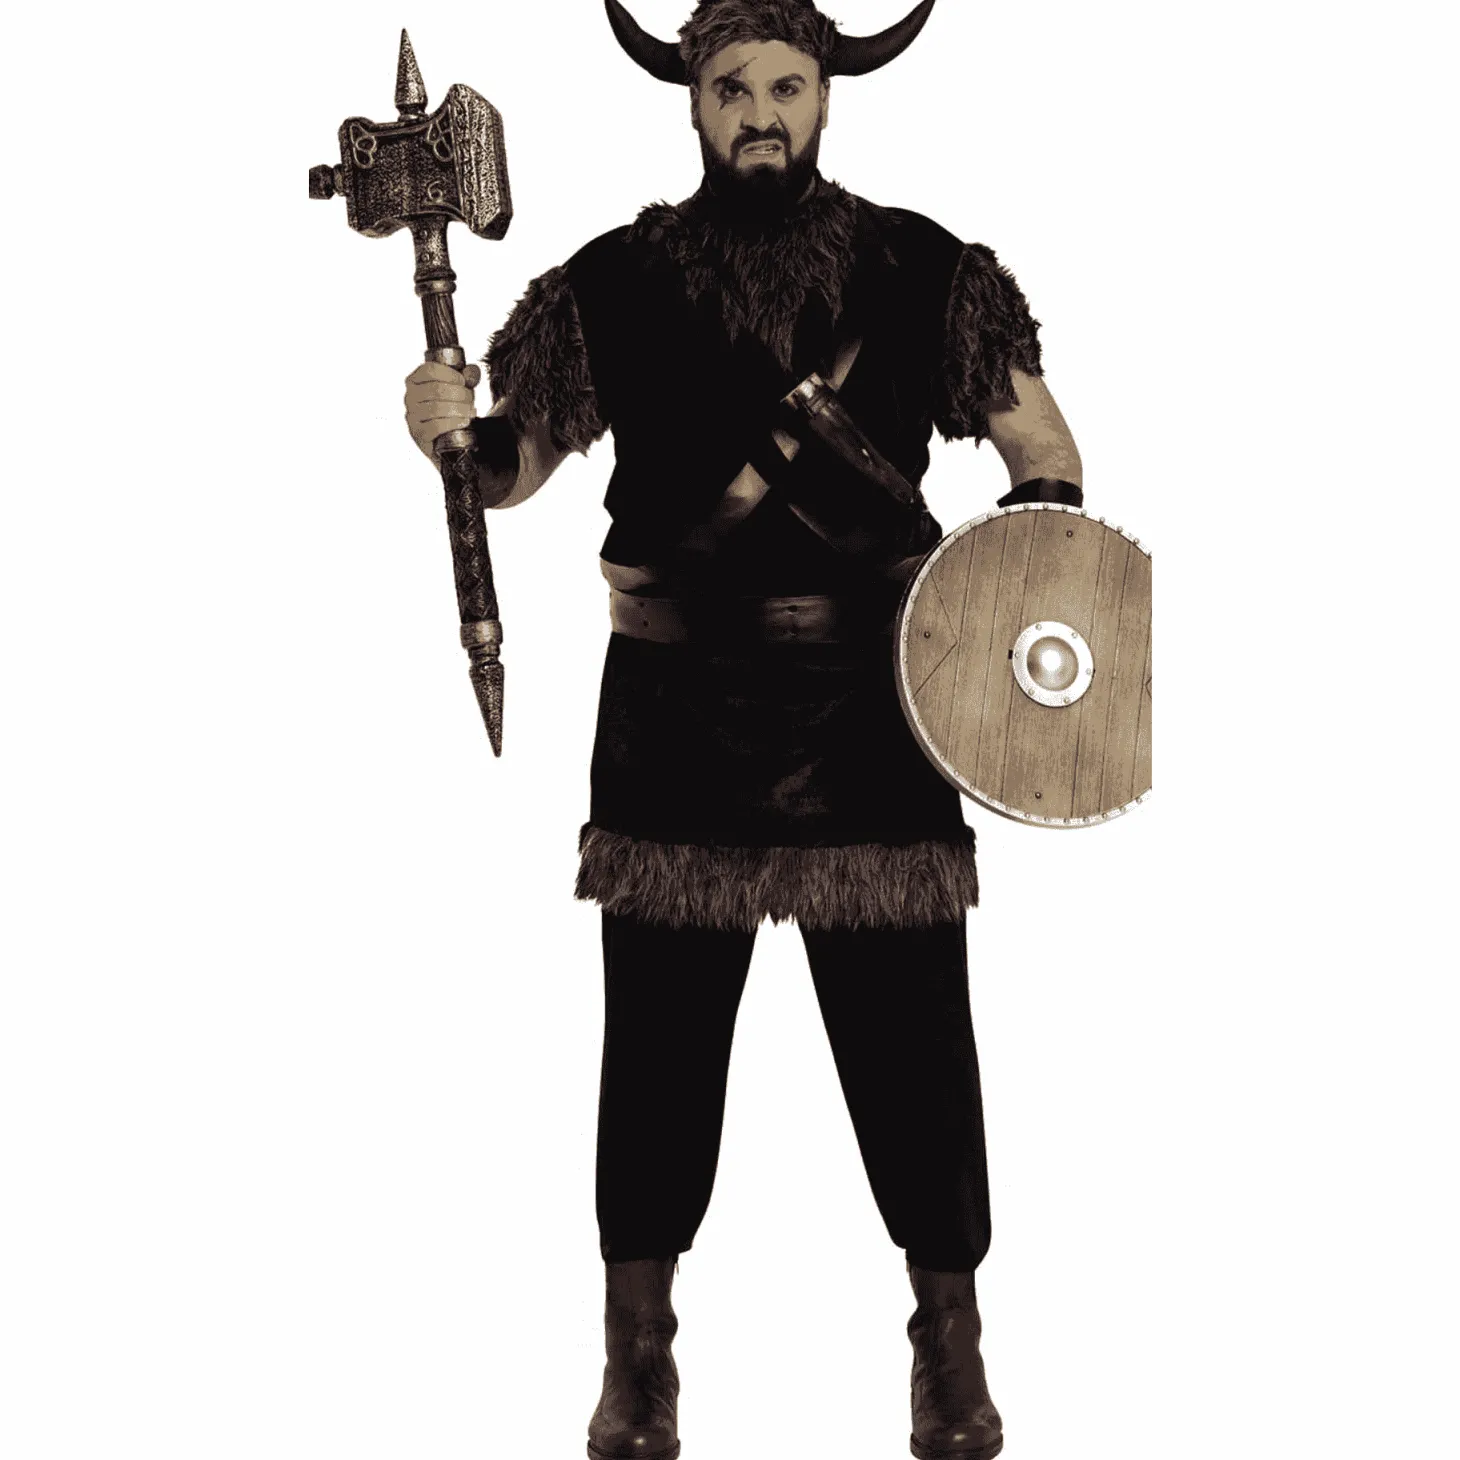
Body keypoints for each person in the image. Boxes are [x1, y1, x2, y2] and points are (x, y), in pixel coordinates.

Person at [403, 4, 1083, 1456]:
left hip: (880, 713)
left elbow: (1045, 453)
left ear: (825, 98)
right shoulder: (611, 282)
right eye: (731, 88)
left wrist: (1017, 638)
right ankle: (637, 1363)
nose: (760, 113)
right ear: (694, 104)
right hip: (674, 716)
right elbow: (516, 467)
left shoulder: (926, 272)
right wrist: (456, 430)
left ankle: (950, 1352)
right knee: (656, 1054)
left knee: (915, 1051)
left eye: (786, 84)